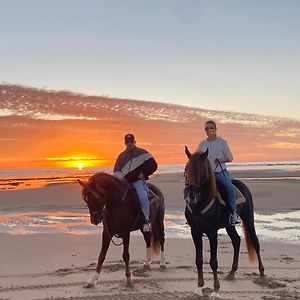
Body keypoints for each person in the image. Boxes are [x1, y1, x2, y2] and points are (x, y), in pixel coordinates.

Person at [198, 120, 240, 226]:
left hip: (219, 171)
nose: (209, 130)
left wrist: (220, 159)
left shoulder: (222, 142)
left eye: (211, 128)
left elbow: (230, 158)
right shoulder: (202, 144)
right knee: (195, 189)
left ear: (215, 129)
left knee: (229, 188)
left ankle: (233, 214)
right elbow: (198, 158)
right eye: (206, 128)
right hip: (207, 174)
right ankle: (195, 214)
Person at [113, 133, 158, 232]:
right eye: (127, 142)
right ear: (124, 143)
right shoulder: (121, 156)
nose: (129, 143)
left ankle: (146, 221)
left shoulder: (143, 153)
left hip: (137, 182)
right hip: (124, 182)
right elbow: (116, 170)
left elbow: (153, 165)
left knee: (142, 196)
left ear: (134, 142)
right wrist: (121, 178)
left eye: (131, 141)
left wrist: (143, 174)